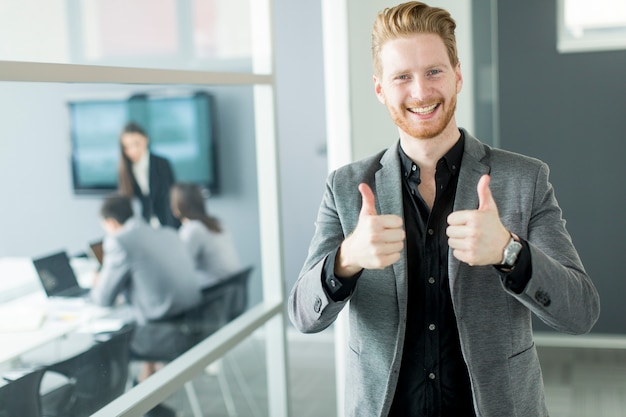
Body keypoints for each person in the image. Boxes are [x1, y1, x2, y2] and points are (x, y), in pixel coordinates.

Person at [287, 2, 600, 417]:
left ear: (457, 76)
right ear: (380, 89)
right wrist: (346, 260)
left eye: (434, 71)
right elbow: (303, 316)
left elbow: (580, 312)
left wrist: (510, 252)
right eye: (403, 77)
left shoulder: (525, 179)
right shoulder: (345, 187)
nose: (420, 92)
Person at [90, 194, 202, 384]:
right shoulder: (168, 233)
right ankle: (148, 399)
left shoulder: (119, 241)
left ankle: (128, 404)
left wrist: (96, 280)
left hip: (164, 334)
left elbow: (103, 299)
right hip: (195, 324)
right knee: (141, 317)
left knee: (105, 344)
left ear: (111, 223)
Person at [170, 182, 241, 288]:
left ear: (178, 206)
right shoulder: (217, 223)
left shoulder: (192, 229)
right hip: (232, 291)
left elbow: (179, 268)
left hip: (215, 293)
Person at [118, 121, 181, 229]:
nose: (132, 150)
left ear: (146, 140)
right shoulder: (124, 170)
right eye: (127, 146)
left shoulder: (162, 163)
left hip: (167, 223)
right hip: (142, 226)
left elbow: (171, 197)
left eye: (136, 144)